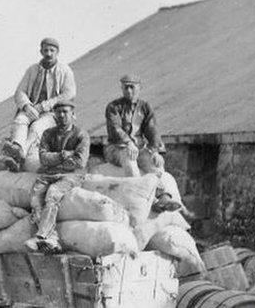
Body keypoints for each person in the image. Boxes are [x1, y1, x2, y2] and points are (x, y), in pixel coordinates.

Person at [104, 74, 183, 213]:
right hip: (116, 148)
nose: (129, 91)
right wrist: (128, 143)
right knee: (130, 160)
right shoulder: (113, 107)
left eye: (132, 87)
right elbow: (115, 128)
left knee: (155, 164)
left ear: (140, 88)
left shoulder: (145, 107)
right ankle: (149, 199)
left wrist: (156, 151)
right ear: (121, 88)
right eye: (126, 87)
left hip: (139, 148)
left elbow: (152, 129)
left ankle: (163, 196)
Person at [0, 37, 76, 168]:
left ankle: (22, 152)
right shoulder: (32, 70)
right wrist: (27, 106)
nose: (49, 53)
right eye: (46, 50)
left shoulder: (65, 70)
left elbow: (69, 93)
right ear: (41, 51)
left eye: (52, 50)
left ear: (57, 52)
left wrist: (45, 106)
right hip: (32, 109)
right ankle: (17, 147)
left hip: (53, 112)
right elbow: (20, 91)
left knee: (36, 127)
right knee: (20, 120)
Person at [25, 101, 90, 254]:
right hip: (48, 174)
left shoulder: (81, 135)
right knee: (35, 198)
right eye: (58, 112)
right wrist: (63, 155)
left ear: (73, 114)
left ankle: (41, 236)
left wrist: (55, 162)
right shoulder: (48, 134)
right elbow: (43, 158)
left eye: (65, 112)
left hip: (72, 176)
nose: (61, 115)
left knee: (52, 193)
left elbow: (79, 162)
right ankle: (52, 238)